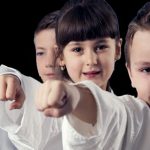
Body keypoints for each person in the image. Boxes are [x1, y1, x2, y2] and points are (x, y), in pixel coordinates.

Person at [35, 1, 150, 150]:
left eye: (101, 47)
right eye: (147, 69)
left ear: (117, 49)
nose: (90, 61)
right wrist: (74, 96)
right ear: (130, 73)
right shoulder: (135, 120)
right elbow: (110, 112)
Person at [0, 10, 65, 150]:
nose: (49, 63)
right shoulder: (23, 97)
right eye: (40, 53)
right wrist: (10, 75)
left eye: (58, 52)